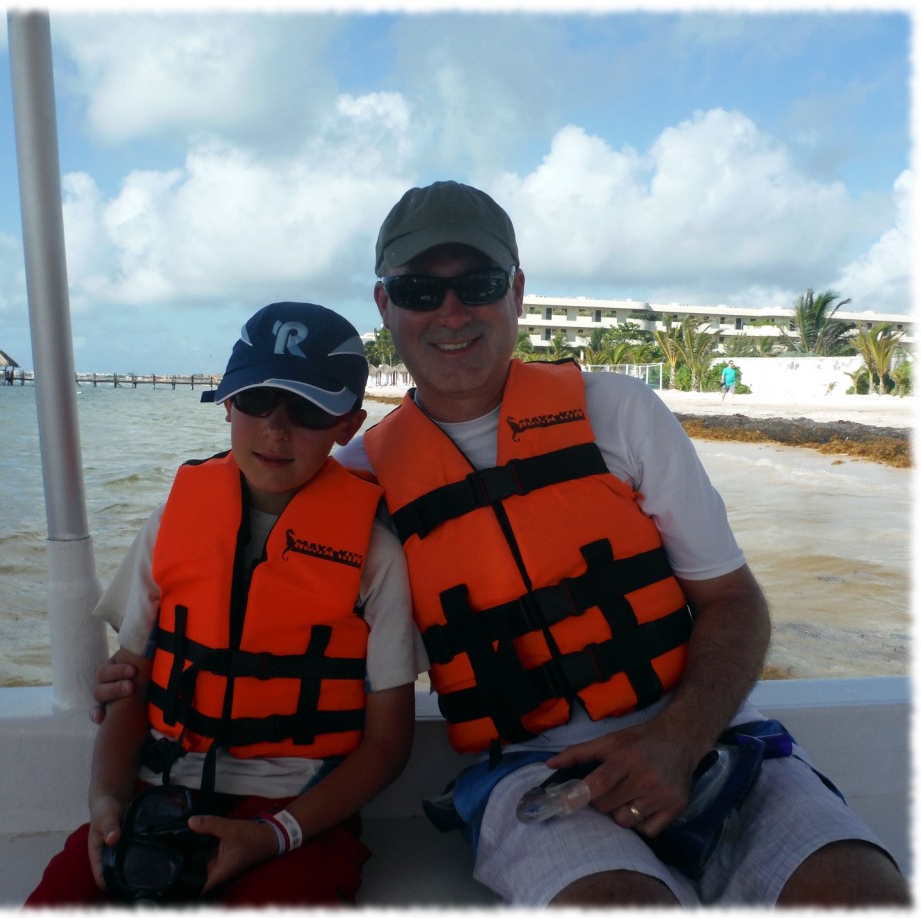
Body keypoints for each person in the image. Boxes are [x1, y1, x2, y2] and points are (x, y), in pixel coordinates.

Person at [93, 183, 909, 907]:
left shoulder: (620, 413)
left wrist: (679, 738)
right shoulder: (358, 475)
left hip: (710, 740)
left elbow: (733, 601)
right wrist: (139, 669)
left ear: (515, 291)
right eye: (420, 290)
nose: (451, 313)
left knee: (859, 890)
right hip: (527, 771)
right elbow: (242, 586)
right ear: (386, 304)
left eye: (477, 285)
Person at [28, 302, 417, 907]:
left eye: (309, 408)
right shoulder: (174, 518)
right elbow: (131, 684)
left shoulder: (377, 555)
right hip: (160, 792)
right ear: (228, 403)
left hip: (298, 813)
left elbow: (388, 744)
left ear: (348, 424)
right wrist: (106, 797)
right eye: (257, 400)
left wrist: (273, 835)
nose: (276, 428)